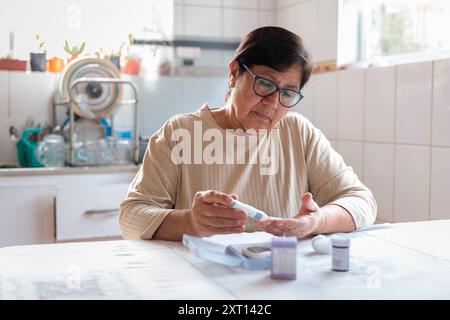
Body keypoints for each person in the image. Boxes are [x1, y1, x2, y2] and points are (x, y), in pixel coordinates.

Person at [119, 26, 377, 241]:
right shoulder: (179, 133)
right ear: (234, 74)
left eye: (287, 93)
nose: (273, 103)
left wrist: (316, 221)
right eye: (265, 83)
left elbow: (362, 201)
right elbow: (131, 216)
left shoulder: (298, 133)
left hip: (279, 281)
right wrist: (188, 221)